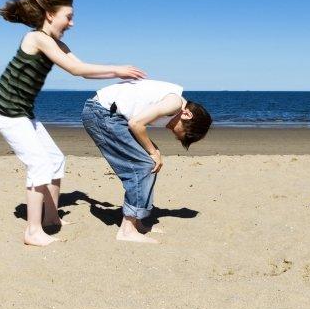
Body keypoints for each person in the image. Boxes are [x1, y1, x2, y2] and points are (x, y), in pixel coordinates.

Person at [0, 0, 145, 247]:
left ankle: (51, 219)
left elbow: (81, 67)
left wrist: (117, 74)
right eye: (68, 16)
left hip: (22, 112)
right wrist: (118, 69)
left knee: (56, 159)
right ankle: (32, 231)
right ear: (50, 14)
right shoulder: (37, 38)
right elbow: (77, 71)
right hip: (6, 112)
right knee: (38, 164)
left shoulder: (56, 43)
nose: (72, 23)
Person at [81, 79, 212, 243]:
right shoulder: (175, 103)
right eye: (176, 130)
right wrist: (153, 151)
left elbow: (135, 121)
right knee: (143, 166)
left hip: (110, 115)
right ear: (187, 114)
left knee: (150, 163)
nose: (170, 129)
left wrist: (153, 151)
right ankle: (127, 229)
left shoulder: (174, 104)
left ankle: (137, 223)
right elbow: (136, 123)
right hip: (101, 114)